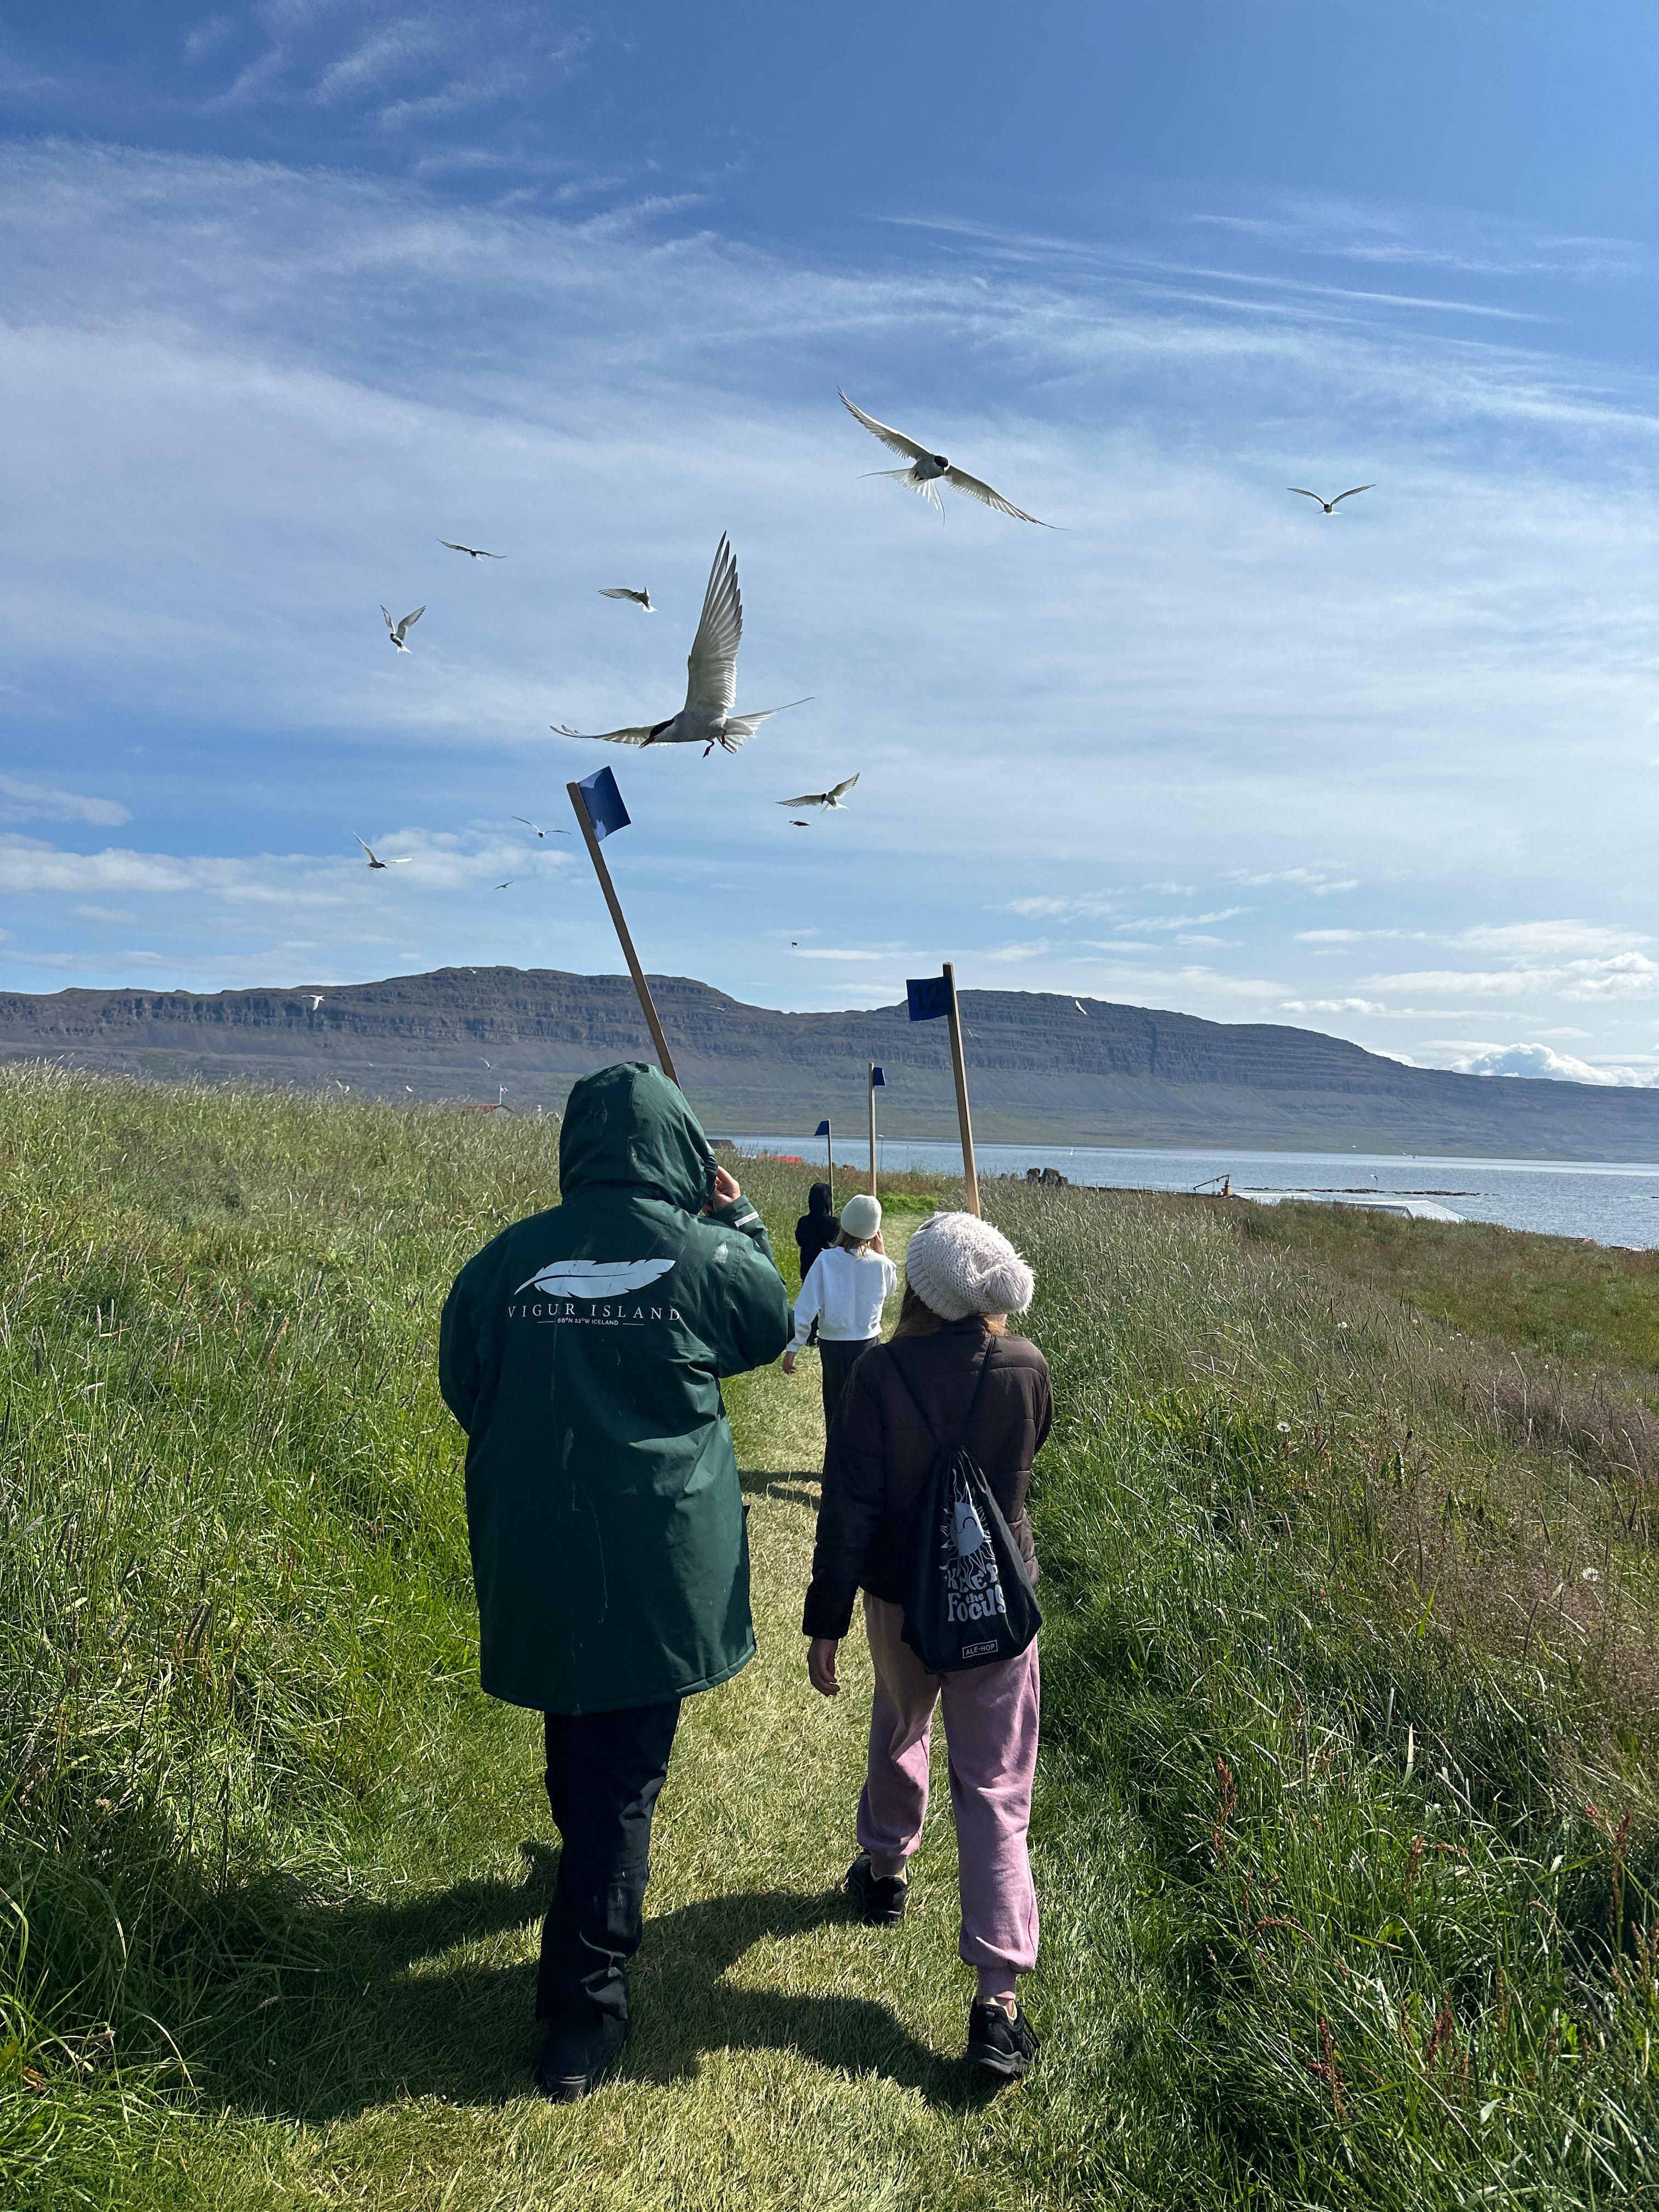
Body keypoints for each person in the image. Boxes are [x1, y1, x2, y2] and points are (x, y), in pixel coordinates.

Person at [438, 1062, 790, 2102]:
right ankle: (582, 2008)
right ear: (679, 1146)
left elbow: (469, 1382)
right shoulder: (701, 1254)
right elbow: (767, 1320)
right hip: (656, 1566)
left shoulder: (503, 1262)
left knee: (585, 1744)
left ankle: (582, 1888)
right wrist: (746, 1216)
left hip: (539, 1551)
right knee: (620, 1778)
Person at [800, 1210, 1052, 2080]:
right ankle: (997, 2003)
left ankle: (885, 1871)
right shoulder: (1027, 1369)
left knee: (900, 1724)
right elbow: (1029, 1457)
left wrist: (826, 1617)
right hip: (996, 1606)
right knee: (995, 1790)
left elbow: (850, 1502)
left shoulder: (879, 1371)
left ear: (919, 1287)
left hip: (903, 1600)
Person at [782, 1193, 896, 1435]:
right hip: (868, 1343)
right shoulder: (882, 1264)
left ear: (843, 1224)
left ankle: (836, 1459)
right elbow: (891, 1289)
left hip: (833, 1344)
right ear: (875, 1231)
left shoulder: (826, 1260)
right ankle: (863, 1457)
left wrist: (795, 1345)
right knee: (865, 1405)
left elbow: (806, 1305)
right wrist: (882, 1252)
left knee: (835, 1403)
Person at [794, 1181, 840, 1280]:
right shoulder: (834, 1223)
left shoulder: (803, 1222)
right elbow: (838, 1247)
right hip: (828, 1271)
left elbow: (800, 1241)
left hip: (808, 1270)